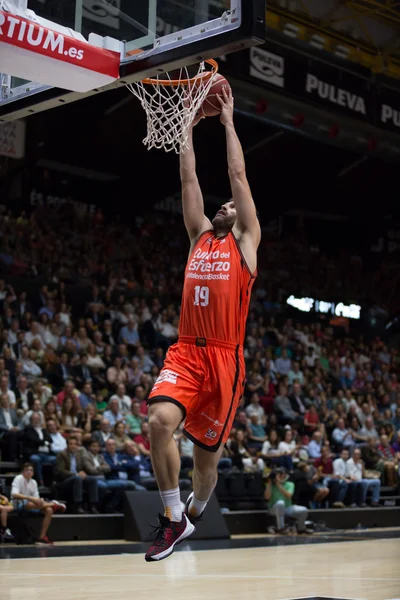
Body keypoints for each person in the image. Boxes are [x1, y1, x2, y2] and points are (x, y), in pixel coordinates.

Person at [145, 88, 261, 562]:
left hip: (224, 359)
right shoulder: (197, 237)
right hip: (187, 354)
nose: (224, 207)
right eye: (223, 205)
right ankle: (174, 519)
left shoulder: (246, 244)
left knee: (205, 466)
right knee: (158, 422)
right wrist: (188, 125)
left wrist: (229, 121)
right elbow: (188, 177)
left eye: (232, 208)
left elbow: (237, 174)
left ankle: (196, 508)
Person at [11, 463, 66, 545]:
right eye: (27, 470)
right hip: (17, 504)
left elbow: (36, 499)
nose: (29, 472)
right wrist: (31, 498)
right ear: (23, 472)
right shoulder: (18, 478)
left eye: (31, 470)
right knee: (29, 503)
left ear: (33, 473)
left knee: (49, 510)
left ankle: (42, 537)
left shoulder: (34, 482)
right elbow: (14, 494)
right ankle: (52, 504)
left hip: (33, 505)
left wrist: (39, 500)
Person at [264, 467, 310, 534]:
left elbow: (288, 495)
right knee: (280, 503)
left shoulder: (290, 484)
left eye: (280, 474)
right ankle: (281, 528)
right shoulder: (270, 485)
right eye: (277, 474)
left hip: (287, 507)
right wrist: (269, 483)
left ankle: (301, 528)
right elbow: (267, 497)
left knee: (304, 510)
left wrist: (279, 485)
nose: (279, 476)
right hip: (273, 508)